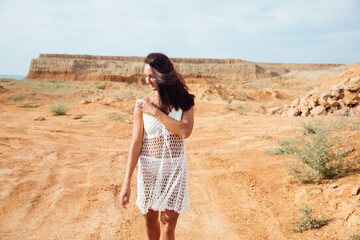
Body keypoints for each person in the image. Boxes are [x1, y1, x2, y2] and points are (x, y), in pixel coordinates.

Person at [119, 53, 195, 240]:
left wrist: (155, 112)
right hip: (149, 171)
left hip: (175, 170)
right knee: (150, 222)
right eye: (146, 76)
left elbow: (184, 131)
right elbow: (136, 144)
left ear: (163, 74)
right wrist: (126, 182)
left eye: (152, 75)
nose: (148, 80)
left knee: (168, 226)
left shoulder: (185, 101)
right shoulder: (141, 104)